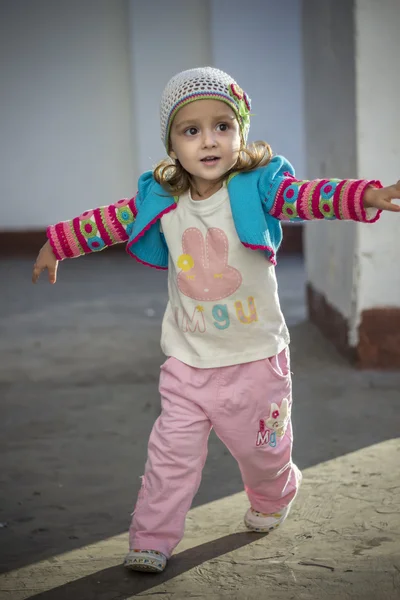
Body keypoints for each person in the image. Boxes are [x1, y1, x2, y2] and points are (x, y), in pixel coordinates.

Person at [32, 67, 400, 573]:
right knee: (170, 456)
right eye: (192, 130)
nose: (209, 141)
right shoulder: (161, 197)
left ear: (240, 132)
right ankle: (152, 539)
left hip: (255, 360)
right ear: (173, 144)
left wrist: (369, 196)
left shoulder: (261, 187)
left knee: (263, 456)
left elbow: (309, 196)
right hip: (187, 361)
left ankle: (277, 490)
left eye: (223, 126)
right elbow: (108, 222)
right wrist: (58, 244)